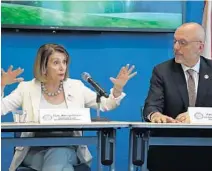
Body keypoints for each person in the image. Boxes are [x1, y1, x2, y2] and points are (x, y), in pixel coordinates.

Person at [1, 43, 137, 171]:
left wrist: (118, 88)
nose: (62, 67)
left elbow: (106, 104)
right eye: (56, 63)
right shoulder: (26, 88)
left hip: (70, 149)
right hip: (33, 152)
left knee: (59, 153)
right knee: (61, 164)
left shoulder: (76, 87)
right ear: (43, 66)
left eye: (64, 62)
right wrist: (2, 85)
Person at [143, 22, 212, 171]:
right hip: (170, 148)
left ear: (200, 47)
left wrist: (196, 116)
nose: (175, 47)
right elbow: (151, 105)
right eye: (175, 41)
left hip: (208, 147)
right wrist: (155, 115)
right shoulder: (162, 71)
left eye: (182, 43)